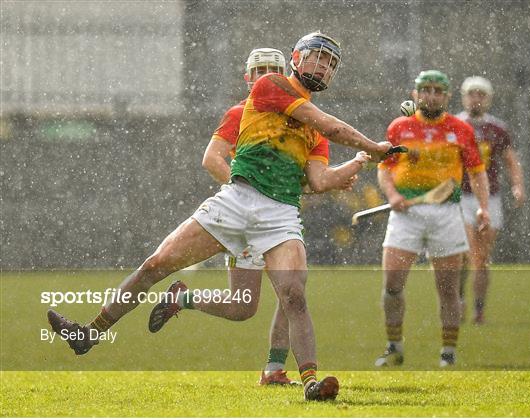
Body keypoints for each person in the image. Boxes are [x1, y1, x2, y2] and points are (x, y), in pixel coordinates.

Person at [47, 32, 393, 401]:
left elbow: (318, 180)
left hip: (280, 215)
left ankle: (310, 381)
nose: (322, 67)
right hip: (236, 200)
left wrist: (357, 163)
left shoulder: (314, 131)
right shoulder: (272, 85)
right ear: (295, 57)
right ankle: (88, 334)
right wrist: (374, 147)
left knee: (292, 295)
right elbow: (331, 126)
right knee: (155, 265)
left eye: (330, 64)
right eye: (317, 58)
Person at [160, 47, 363, 387]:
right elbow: (213, 160)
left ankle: (274, 370)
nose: (264, 76)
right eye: (259, 70)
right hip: (242, 213)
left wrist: (338, 175)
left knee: (292, 293)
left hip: (279, 216)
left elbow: (309, 179)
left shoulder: (302, 118)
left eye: (272, 69)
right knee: (243, 307)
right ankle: (183, 299)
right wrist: (248, 194)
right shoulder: (241, 112)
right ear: (248, 77)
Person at [374, 70, 490, 368]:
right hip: (406, 214)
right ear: (416, 94)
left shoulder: (460, 129)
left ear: (447, 96)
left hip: (446, 214)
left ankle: (448, 353)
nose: (432, 96)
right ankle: (393, 346)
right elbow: (385, 168)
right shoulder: (400, 127)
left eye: (438, 91)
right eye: (426, 90)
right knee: (392, 284)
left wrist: (483, 207)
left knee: (448, 288)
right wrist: (392, 195)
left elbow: (477, 173)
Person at [457, 76, 525, 324]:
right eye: (472, 94)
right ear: (464, 97)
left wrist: (517, 186)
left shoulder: (497, 129)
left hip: (489, 197)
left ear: (488, 99)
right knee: (464, 253)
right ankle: (459, 300)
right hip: (461, 196)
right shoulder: (455, 125)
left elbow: (510, 160)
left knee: (481, 258)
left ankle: (478, 310)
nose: (476, 99)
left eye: (481, 94)